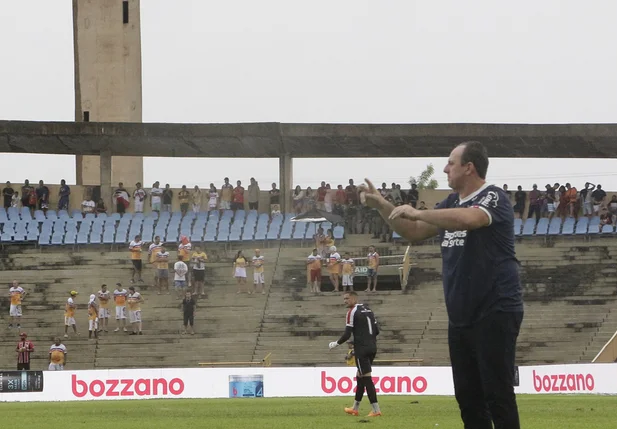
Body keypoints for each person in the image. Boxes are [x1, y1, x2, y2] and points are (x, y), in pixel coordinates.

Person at [358, 141, 523, 428]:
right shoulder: (449, 203)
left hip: (495, 309)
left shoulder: (493, 197)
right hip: (461, 316)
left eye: (451, 162)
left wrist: (419, 211)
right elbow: (413, 230)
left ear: (469, 167)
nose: (445, 168)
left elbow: (469, 219)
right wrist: (383, 205)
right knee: (468, 400)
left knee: (497, 394)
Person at [328, 291, 381, 417]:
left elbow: (347, 334)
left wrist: (336, 343)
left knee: (367, 378)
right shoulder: (368, 310)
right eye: (344, 299)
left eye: (347, 298)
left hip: (361, 349)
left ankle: (376, 410)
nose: (345, 301)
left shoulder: (352, 312)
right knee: (360, 376)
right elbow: (377, 331)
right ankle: (355, 408)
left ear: (354, 298)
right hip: (372, 347)